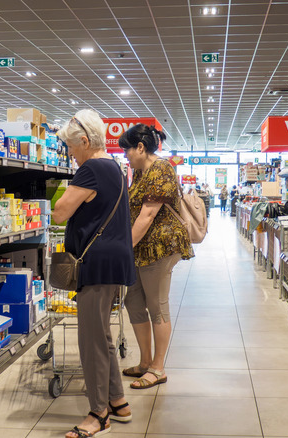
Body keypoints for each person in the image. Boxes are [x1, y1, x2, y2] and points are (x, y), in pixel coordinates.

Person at [52, 110, 137, 438]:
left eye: (72, 148)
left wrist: (63, 195)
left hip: (96, 263)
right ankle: (117, 400)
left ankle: (98, 413)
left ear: (85, 142)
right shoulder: (113, 167)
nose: (71, 154)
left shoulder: (90, 169)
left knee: (90, 340)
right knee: (101, 334)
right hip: (113, 260)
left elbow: (60, 214)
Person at [117, 124, 195, 390]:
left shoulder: (161, 168)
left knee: (156, 304)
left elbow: (148, 215)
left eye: (127, 149)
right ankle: (145, 361)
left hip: (160, 247)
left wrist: (123, 247)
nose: (125, 155)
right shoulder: (140, 172)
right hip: (140, 247)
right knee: (134, 302)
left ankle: (158, 368)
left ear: (140, 147)